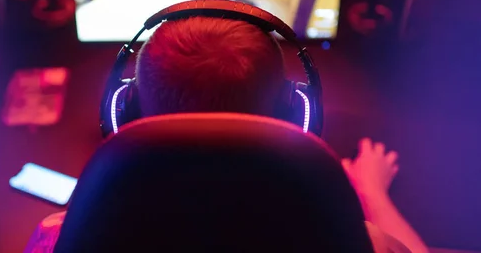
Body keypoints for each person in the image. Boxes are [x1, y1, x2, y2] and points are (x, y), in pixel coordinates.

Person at [24, 17, 428, 253]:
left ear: (125, 110)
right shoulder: (360, 242)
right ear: (294, 110)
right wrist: (373, 192)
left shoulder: (60, 237)